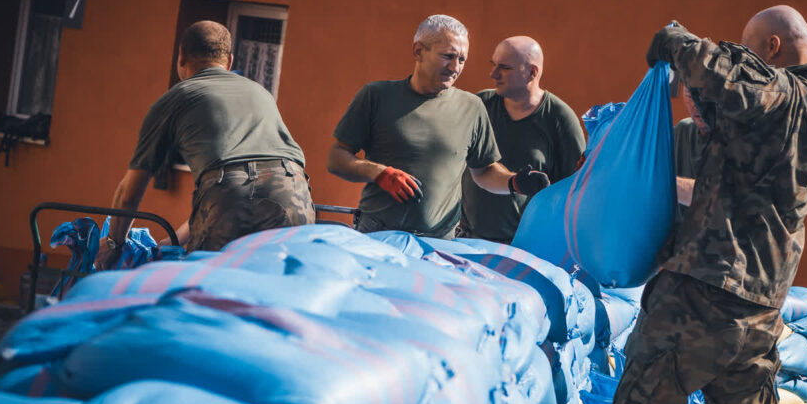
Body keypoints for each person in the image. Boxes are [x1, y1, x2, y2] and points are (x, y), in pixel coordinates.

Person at [589, 5, 807, 404]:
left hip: (703, 297)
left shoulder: (780, 93)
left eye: (751, 49)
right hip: (758, 307)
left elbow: (725, 73)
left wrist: (676, 40)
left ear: (772, 50)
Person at [96, 21, 314, 268]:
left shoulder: (177, 97)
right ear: (229, 61)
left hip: (228, 194)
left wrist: (114, 243)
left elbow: (130, 192)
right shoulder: (259, 92)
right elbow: (247, 183)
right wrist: (171, 241)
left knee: (206, 286)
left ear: (181, 57)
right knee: (270, 285)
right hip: (295, 191)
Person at [328, 15, 549, 239]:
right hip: (378, 234)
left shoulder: (472, 107)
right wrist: (378, 173)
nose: (455, 67)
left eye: (462, 59)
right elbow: (337, 157)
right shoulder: (376, 96)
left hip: (439, 245)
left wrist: (513, 182)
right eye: (448, 56)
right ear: (418, 51)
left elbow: (484, 171)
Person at [459, 36, 585, 242]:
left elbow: (574, 190)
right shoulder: (481, 105)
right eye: (493, 65)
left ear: (532, 72)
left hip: (525, 247)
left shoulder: (559, 118)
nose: (494, 74)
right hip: (468, 240)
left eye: (504, 68)